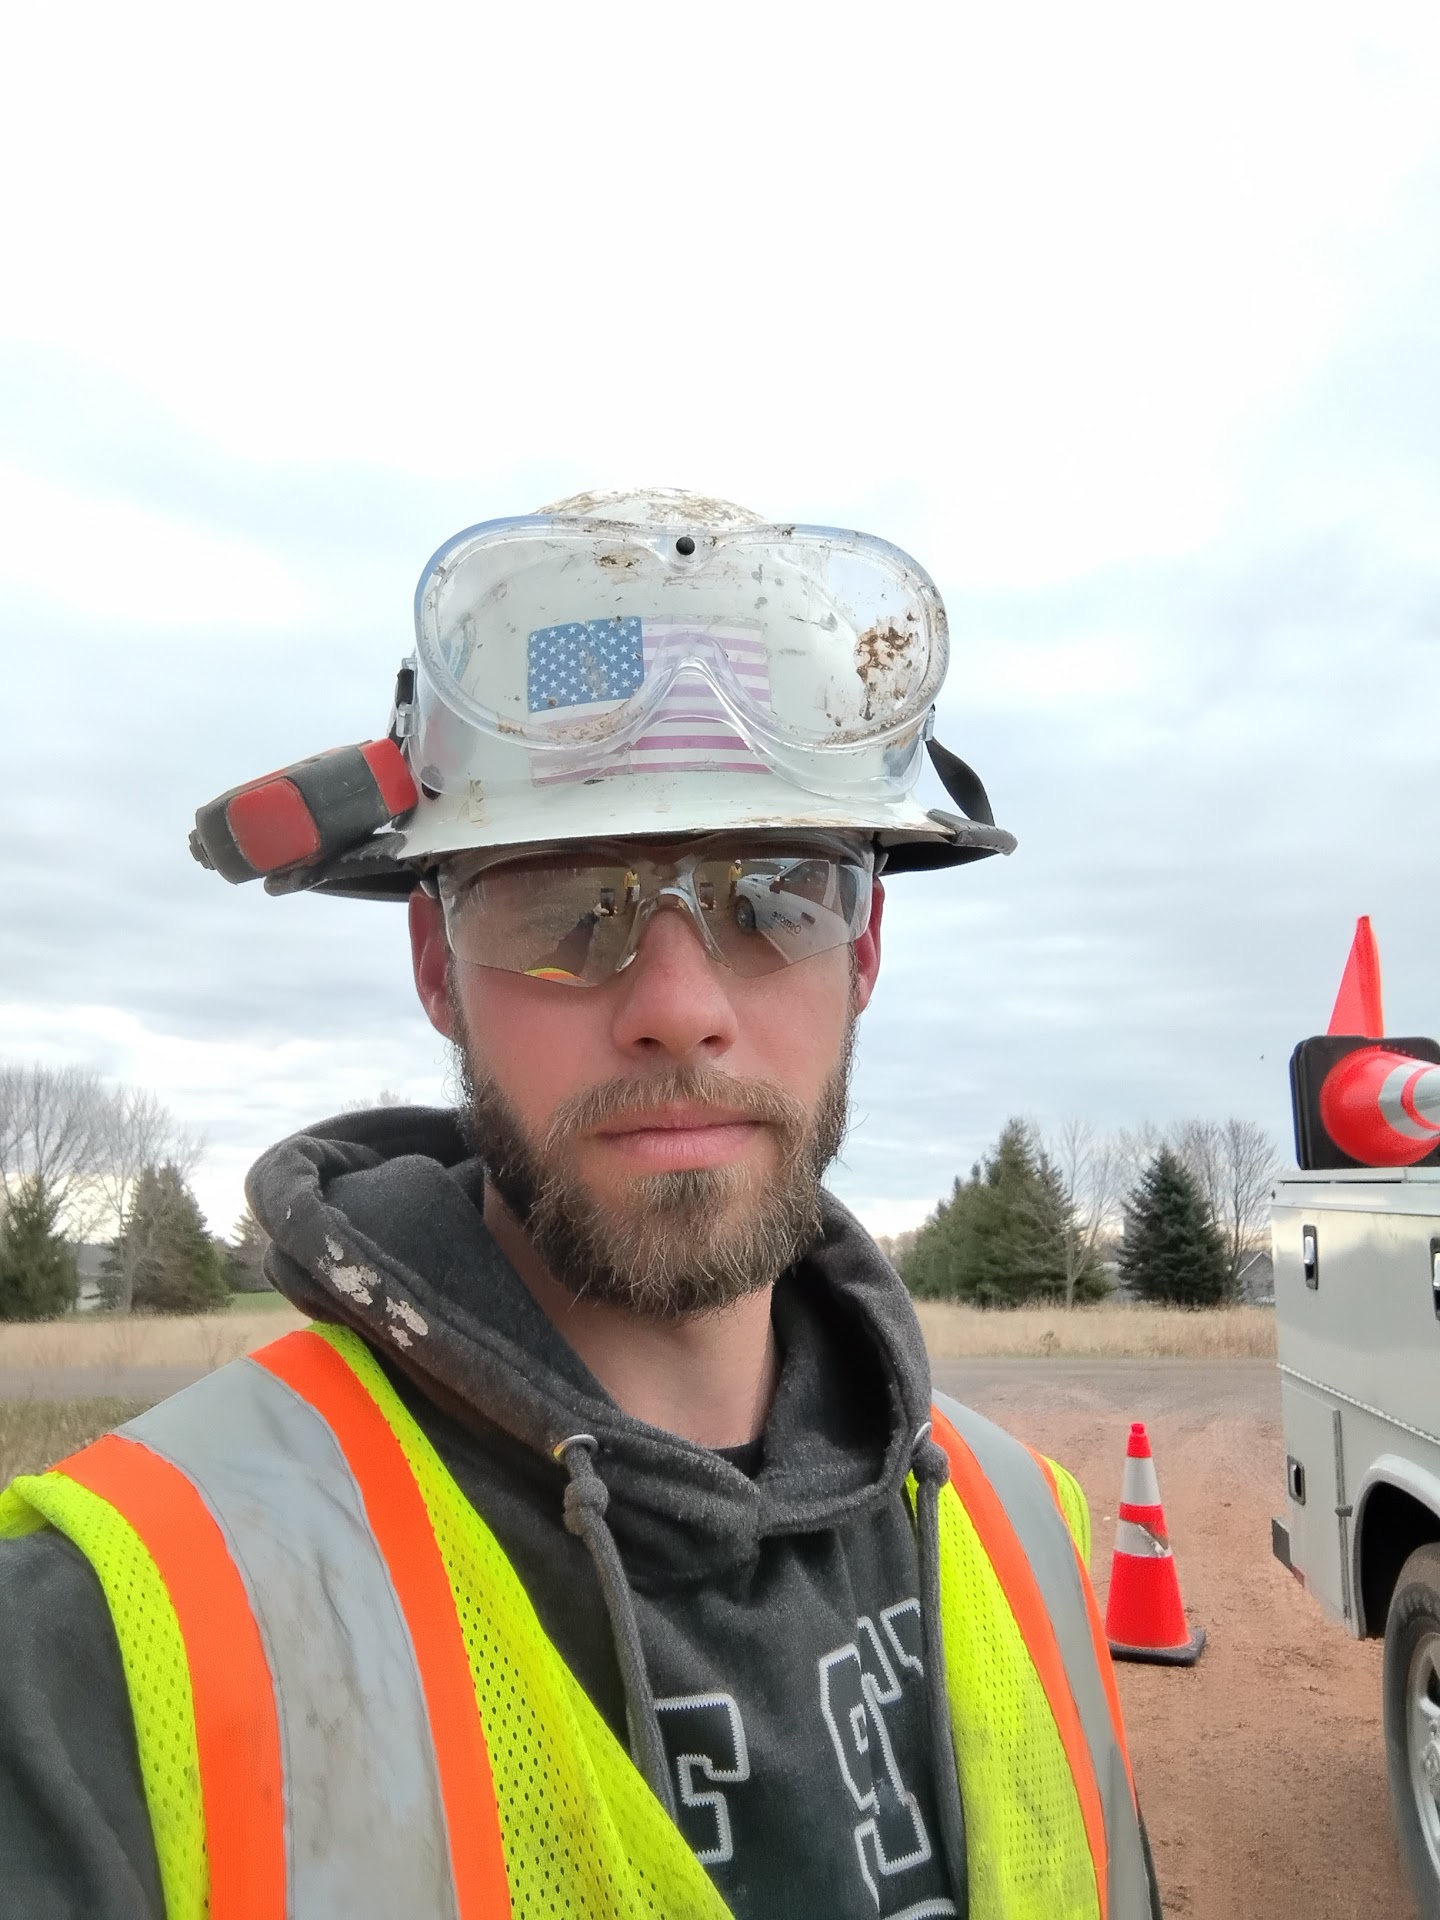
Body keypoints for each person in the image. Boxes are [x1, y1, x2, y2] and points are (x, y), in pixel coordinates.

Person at [0, 491, 1161, 1919]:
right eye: (562, 907)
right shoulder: (116, 1643)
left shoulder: (1024, 1533)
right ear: (437, 968)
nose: (679, 1005)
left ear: (864, 952)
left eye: (779, 894)